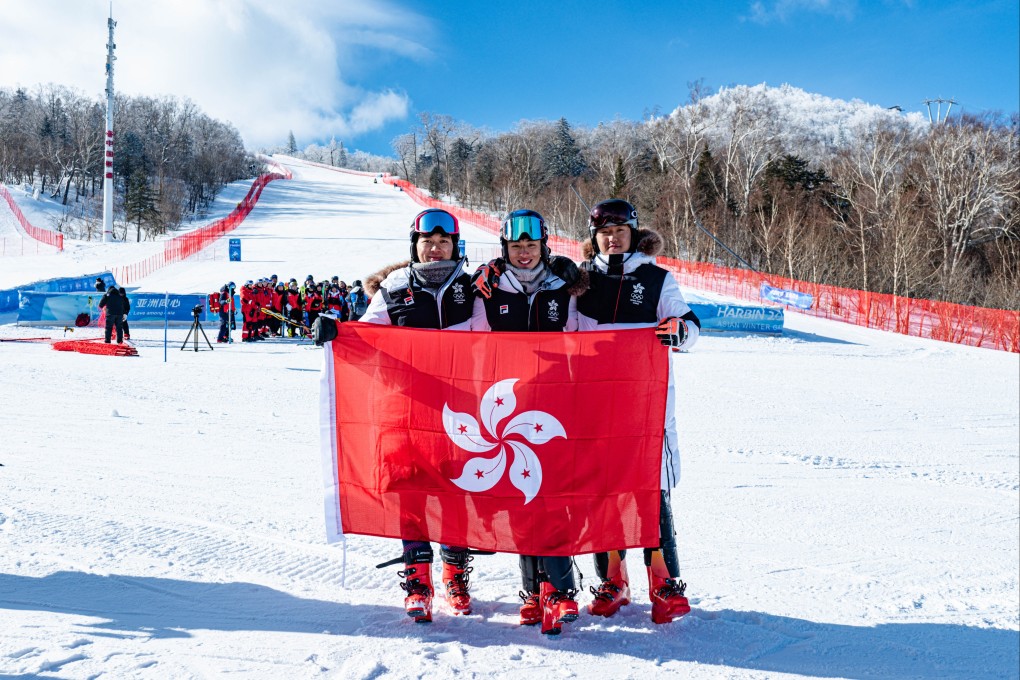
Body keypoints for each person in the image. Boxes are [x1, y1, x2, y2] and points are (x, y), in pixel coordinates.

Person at [323, 208, 476, 623]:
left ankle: (454, 573)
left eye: (443, 242)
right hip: (408, 406)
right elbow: (367, 335)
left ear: (455, 246)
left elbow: (494, 337)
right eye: (428, 242)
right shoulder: (394, 288)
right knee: (412, 490)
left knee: (457, 491)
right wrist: (337, 331)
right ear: (415, 246)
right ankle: (418, 579)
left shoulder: (473, 288)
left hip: (460, 408)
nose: (435, 248)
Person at [575, 198, 701, 625]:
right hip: (594, 405)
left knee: (651, 490)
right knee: (602, 491)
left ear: (633, 234)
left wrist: (679, 331)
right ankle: (614, 580)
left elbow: (690, 326)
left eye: (620, 232)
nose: (612, 239)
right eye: (604, 233)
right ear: (594, 237)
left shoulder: (656, 278)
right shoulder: (581, 281)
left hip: (647, 406)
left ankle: (663, 582)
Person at [470, 209, 586, 635]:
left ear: (544, 246)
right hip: (510, 406)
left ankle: (560, 588)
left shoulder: (562, 286)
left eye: (531, 245)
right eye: (516, 246)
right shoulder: (488, 287)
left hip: (554, 403)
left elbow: (585, 335)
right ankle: (532, 592)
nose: (524, 253)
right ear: (504, 248)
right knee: (524, 494)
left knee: (552, 495)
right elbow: (468, 338)